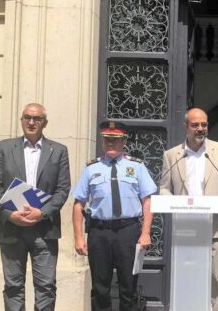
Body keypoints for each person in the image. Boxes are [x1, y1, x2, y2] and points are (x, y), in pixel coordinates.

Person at [0, 103, 71, 311]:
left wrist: (41, 212)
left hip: (44, 229)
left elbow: (63, 189)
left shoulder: (58, 151)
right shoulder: (3, 148)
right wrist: (10, 214)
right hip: (11, 227)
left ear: (45, 123)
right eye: (27, 117)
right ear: (22, 120)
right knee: (13, 286)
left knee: (46, 286)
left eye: (37, 119)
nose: (31, 122)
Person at [159, 108, 218, 311]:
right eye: (195, 125)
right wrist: (172, 203)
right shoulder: (172, 156)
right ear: (186, 127)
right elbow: (164, 188)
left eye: (204, 124)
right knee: (186, 281)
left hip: (215, 229)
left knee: (216, 282)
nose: (200, 129)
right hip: (184, 230)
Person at [72, 121, 156, 311]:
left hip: (128, 231)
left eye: (115, 140)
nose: (111, 143)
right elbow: (78, 204)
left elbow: (148, 201)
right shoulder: (91, 168)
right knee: (100, 287)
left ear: (124, 141)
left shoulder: (136, 167)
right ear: (102, 141)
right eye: (107, 139)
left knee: (129, 286)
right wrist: (78, 237)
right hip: (99, 232)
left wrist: (146, 232)